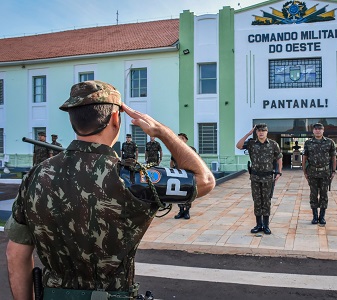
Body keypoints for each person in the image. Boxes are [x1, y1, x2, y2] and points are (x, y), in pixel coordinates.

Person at [5, 80, 215, 300]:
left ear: (73, 121)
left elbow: (15, 253)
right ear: (115, 118)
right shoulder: (133, 178)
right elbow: (205, 180)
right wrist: (162, 132)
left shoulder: (36, 175)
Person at [236, 123, 282, 235]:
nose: (261, 132)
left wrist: (279, 172)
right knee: (257, 200)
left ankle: (266, 225)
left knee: (266, 201)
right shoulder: (251, 144)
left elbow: (279, 158)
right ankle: (258, 224)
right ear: (256, 132)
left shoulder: (273, 144)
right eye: (259, 131)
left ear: (267, 132)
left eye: (263, 130)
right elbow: (238, 146)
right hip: (255, 177)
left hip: (267, 177)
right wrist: (248, 134)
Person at [302, 123, 337, 226]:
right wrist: (304, 171)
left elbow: (333, 157)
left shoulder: (330, 142)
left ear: (323, 130)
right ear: (313, 131)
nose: (318, 131)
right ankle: (314, 216)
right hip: (312, 172)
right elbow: (304, 157)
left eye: (320, 129)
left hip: (325, 173)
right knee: (313, 194)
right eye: (316, 129)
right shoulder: (308, 143)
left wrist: (334, 171)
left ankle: (322, 216)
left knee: (324, 194)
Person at [170, 133, 197, 220]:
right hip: (178, 174)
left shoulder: (191, 149)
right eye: (179, 138)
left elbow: (197, 161)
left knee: (188, 193)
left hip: (188, 175)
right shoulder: (175, 150)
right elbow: (172, 162)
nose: (180, 140)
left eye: (182, 138)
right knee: (179, 193)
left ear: (186, 140)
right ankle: (181, 210)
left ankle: (187, 211)